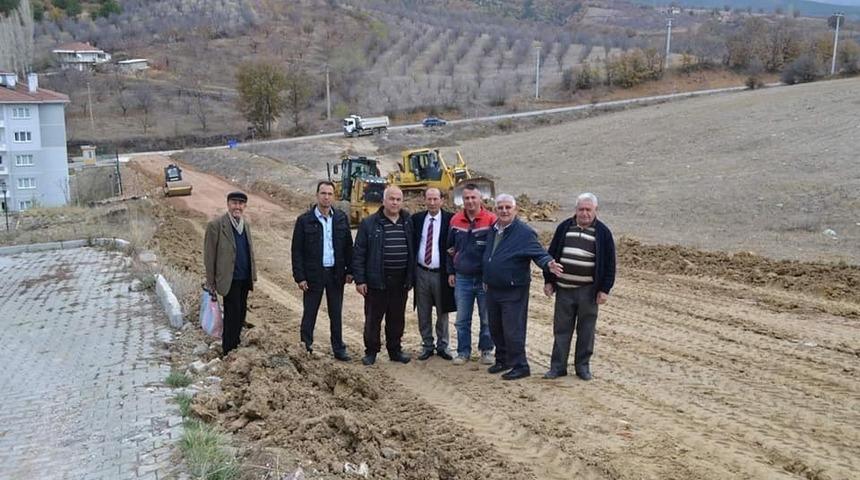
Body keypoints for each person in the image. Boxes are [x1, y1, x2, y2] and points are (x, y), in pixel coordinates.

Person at [483, 194, 563, 380]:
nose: (504, 211)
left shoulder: (524, 232)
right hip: (493, 288)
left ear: (515, 210)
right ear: (495, 210)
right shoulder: (493, 229)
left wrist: (548, 264)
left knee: (513, 329)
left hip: (514, 289)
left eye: (507, 208)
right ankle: (502, 360)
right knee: (496, 327)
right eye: (500, 207)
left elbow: (538, 253)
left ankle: (520, 365)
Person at [543, 192, 616, 381]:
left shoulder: (603, 233)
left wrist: (604, 290)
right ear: (575, 210)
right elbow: (552, 256)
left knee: (586, 331)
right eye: (581, 209)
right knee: (561, 330)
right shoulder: (564, 228)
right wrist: (549, 281)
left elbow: (610, 264)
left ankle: (582, 367)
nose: (584, 213)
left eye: (588, 210)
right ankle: (557, 367)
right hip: (564, 289)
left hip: (589, 291)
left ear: (595, 211)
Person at [291, 180, 353, 361]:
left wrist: (350, 271)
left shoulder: (341, 218)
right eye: (323, 193)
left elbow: (348, 246)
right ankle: (305, 347)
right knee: (310, 312)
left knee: (336, 313)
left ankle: (338, 349)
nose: (326, 197)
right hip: (313, 275)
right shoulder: (304, 220)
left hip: (336, 274)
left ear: (334, 197)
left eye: (329, 194)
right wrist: (300, 277)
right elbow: (297, 251)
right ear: (317, 195)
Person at [353, 186, 415, 366]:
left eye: (398, 199)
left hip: (400, 281)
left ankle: (395, 350)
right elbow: (359, 253)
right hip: (376, 280)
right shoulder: (369, 223)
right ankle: (371, 351)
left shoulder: (408, 222)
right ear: (384, 201)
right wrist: (360, 279)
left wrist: (410, 278)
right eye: (391, 199)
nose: (395, 202)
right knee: (373, 319)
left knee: (396, 319)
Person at [447, 183, 497, 366]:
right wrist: (451, 271)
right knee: (462, 319)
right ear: (463, 200)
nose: (470, 201)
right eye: (466, 198)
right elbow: (449, 249)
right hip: (463, 278)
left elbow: (495, 251)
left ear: (480, 198)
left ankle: (486, 351)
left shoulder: (491, 220)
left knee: (487, 318)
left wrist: (490, 277)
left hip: (484, 279)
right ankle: (463, 352)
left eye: (473, 197)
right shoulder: (455, 220)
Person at [204, 191, 257, 356]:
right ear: (228, 204)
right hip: (229, 279)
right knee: (232, 314)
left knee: (241, 313)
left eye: (241, 204)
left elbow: (249, 251)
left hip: (244, 278)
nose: (237, 207)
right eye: (234, 203)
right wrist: (211, 282)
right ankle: (229, 349)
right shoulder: (217, 226)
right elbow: (209, 256)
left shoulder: (245, 225)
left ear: (244, 207)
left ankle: (236, 343)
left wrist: (252, 274)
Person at [410, 188, 456, 361]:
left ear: (442, 200)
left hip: (441, 273)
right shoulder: (417, 219)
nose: (432, 202)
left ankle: (443, 346)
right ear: (424, 200)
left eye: (435, 199)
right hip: (421, 272)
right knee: (423, 311)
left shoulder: (450, 220)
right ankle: (427, 345)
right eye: (429, 199)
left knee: (442, 311)